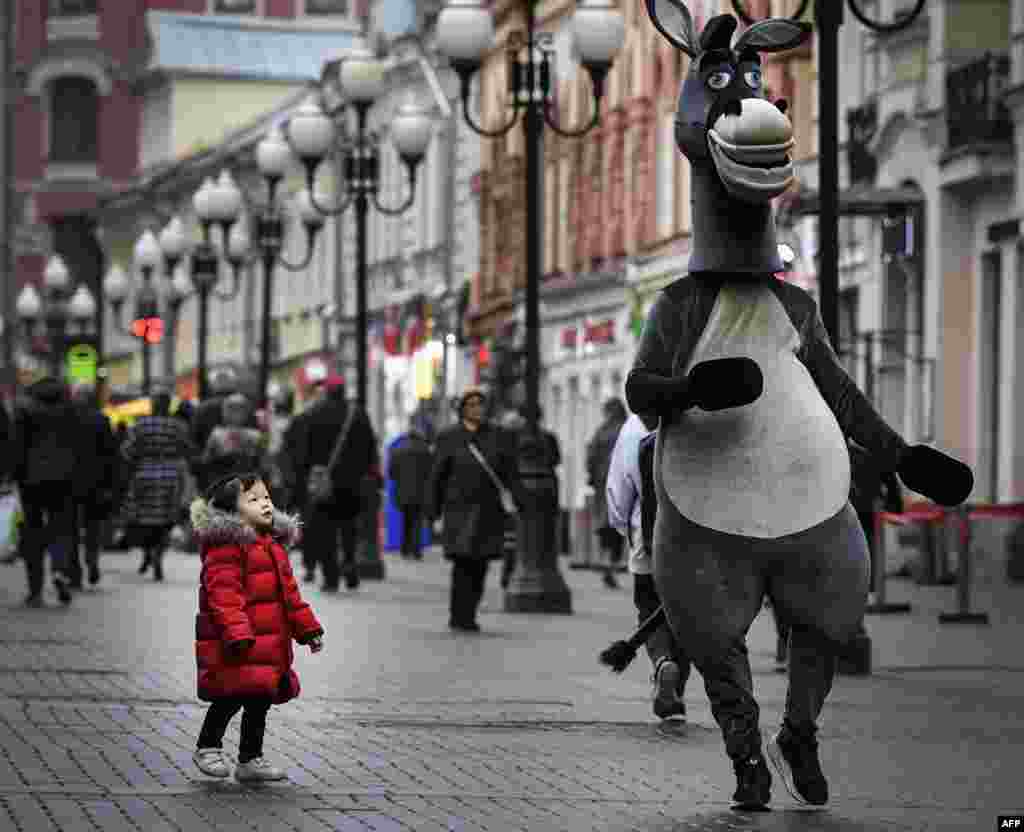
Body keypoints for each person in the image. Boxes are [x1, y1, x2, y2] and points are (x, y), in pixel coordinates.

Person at [190, 473, 324, 782]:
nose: (265, 503)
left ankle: (250, 758)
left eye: (266, 497)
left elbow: (291, 597)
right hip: (241, 641)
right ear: (231, 511)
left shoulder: (273, 546)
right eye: (253, 499)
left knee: (259, 701)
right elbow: (224, 595)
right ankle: (208, 746)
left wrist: (309, 630)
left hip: (270, 644)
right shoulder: (226, 546)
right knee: (229, 696)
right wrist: (236, 632)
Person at [606, 415, 689, 720]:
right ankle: (676, 687)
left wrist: (624, 527)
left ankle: (662, 662)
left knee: (648, 605)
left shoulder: (634, 429)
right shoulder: (695, 419)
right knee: (685, 612)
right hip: (694, 539)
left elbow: (620, 487)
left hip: (649, 534)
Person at [429, 389, 520, 632]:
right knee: (462, 563)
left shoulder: (498, 436)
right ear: (462, 409)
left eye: (480, 404)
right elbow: (437, 476)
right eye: (470, 405)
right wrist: (434, 513)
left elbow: (509, 471)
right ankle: (459, 614)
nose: (476, 408)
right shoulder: (449, 437)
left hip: (488, 509)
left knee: (480, 563)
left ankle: (469, 611)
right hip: (458, 509)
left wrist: (516, 498)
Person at [295, 375, 378, 591]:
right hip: (352, 481)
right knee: (349, 525)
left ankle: (331, 576)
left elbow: (304, 451)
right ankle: (350, 563)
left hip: (324, 481)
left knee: (325, 529)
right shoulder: (357, 413)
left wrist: (304, 478)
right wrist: (367, 472)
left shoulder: (314, 413)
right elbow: (370, 446)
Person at [11, 377, 78, 606]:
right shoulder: (70, 413)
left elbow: (17, 446)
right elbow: (79, 447)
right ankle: (60, 570)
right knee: (61, 529)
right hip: (63, 480)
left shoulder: (26, 412)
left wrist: (15, 475)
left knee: (33, 533)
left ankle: (35, 589)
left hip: (31, 480)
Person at [120, 386, 195, 581]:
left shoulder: (140, 424)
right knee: (167, 520)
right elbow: (187, 449)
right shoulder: (178, 426)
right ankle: (158, 555)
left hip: (144, 474)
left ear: (152, 404)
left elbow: (127, 451)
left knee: (143, 519)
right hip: (170, 475)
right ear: (169, 406)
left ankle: (147, 551)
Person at [67, 383, 119, 588]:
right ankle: (92, 560)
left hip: (70, 482)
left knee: (70, 527)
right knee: (92, 527)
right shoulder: (101, 419)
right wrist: (110, 484)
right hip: (95, 483)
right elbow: (110, 455)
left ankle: (74, 570)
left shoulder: (66, 420)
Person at [586, 398, 628, 588]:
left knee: (604, 524)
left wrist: (592, 476)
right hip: (621, 484)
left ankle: (605, 559)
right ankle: (610, 561)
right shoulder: (626, 429)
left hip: (602, 484)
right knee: (618, 526)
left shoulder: (601, 431)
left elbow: (591, 455)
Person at [387, 418, 434, 560]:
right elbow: (431, 472)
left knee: (406, 520)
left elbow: (391, 473)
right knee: (417, 521)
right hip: (421, 491)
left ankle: (405, 549)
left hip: (402, 492)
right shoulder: (425, 451)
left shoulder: (397, 451)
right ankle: (416, 550)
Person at [201, 393, 267, 488]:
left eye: (239, 409)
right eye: (231, 408)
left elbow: (263, 463)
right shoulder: (216, 433)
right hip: (225, 482)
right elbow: (206, 460)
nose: (235, 413)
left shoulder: (256, 436)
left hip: (243, 483)